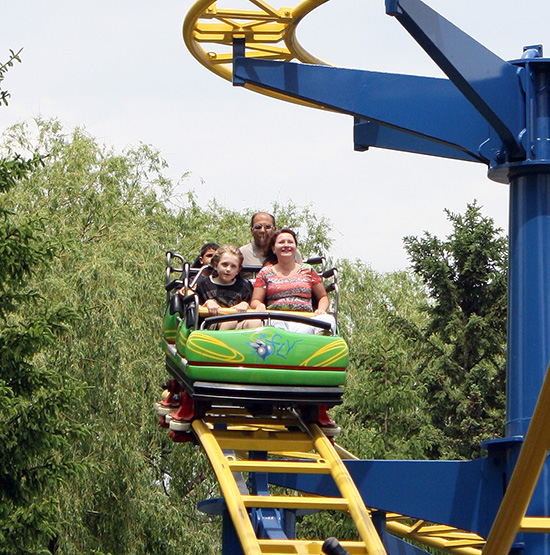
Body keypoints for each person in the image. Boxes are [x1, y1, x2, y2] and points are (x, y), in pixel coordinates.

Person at [247, 228, 335, 335]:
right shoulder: (265, 272)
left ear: (295, 247)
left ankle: (319, 345)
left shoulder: (307, 270)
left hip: (304, 319)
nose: (286, 245)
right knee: (276, 328)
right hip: (276, 319)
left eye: (290, 242)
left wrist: (321, 309)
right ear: (273, 248)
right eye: (281, 242)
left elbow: (323, 297)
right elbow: (255, 300)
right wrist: (259, 306)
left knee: (328, 320)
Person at [194, 246, 253, 329]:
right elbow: (194, 309)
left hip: (238, 325)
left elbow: (252, 307)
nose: (228, 269)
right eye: (224, 265)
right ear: (215, 265)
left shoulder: (244, 286)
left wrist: (245, 304)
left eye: (233, 266)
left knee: (255, 322)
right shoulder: (203, 284)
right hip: (210, 325)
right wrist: (207, 303)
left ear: (238, 270)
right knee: (230, 321)